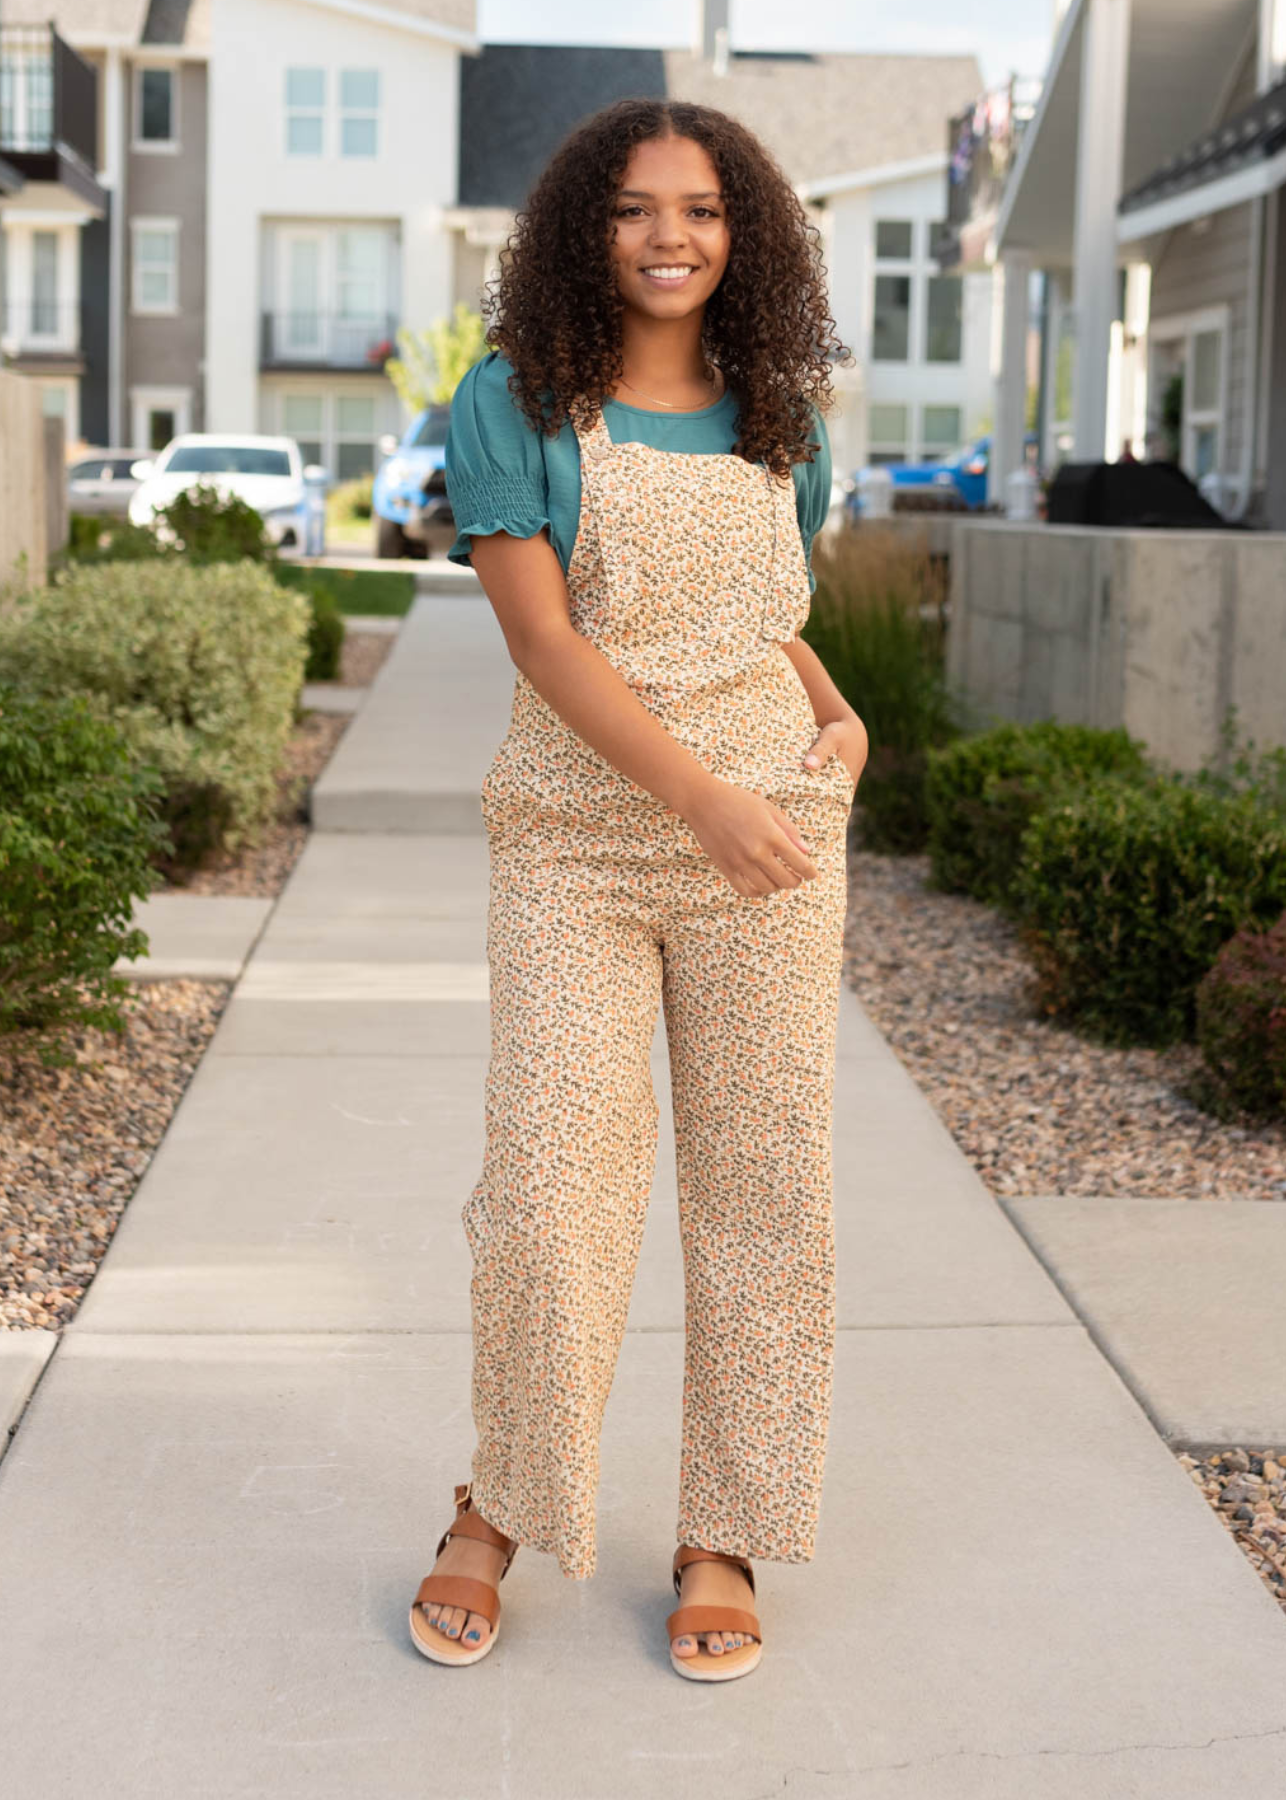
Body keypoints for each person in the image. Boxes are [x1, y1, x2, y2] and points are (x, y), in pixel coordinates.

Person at [407, 97, 868, 1683]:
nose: (670, 236)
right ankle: (498, 1501)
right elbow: (545, 640)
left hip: (775, 841)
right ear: (576, 232)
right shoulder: (515, 401)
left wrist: (826, 706)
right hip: (580, 838)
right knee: (547, 1193)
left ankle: (722, 1528)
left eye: (702, 210)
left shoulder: (777, 414)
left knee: (761, 1197)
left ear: (745, 237)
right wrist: (698, 797)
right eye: (630, 209)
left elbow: (763, 612)